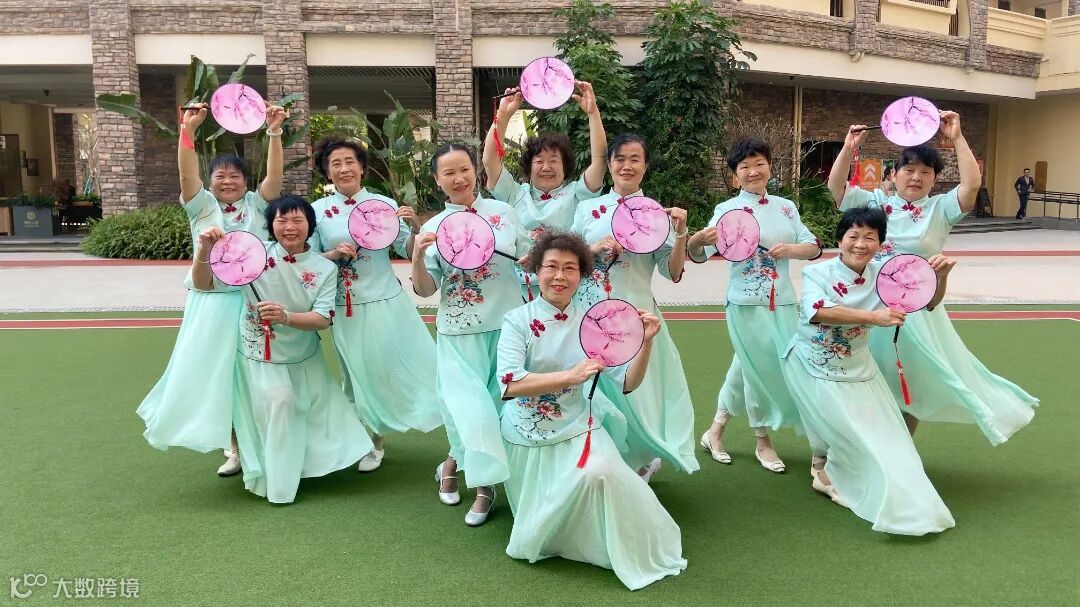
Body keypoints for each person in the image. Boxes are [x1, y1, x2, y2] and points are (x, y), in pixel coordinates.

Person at [828, 112, 1037, 445]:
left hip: (915, 314)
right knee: (861, 375)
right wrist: (848, 147)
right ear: (893, 174)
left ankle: (900, 450)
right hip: (867, 303)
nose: (916, 177)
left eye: (926, 172)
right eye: (909, 170)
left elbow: (971, 185)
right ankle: (856, 448)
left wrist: (957, 137)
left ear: (935, 179)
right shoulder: (876, 203)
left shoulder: (941, 208)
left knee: (911, 383)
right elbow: (836, 189)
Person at [497, 231, 686, 590]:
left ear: (582, 275)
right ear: (536, 271)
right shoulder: (517, 320)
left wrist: (645, 343)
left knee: (603, 473)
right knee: (539, 534)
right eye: (551, 267)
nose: (560, 276)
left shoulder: (595, 323)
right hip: (527, 433)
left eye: (570, 268)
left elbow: (627, 382)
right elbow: (509, 384)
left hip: (577, 426)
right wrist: (570, 376)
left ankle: (613, 545)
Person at [781, 206, 956, 535]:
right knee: (845, 429)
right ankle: (823, 470)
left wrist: (941, 276)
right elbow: (817, 312)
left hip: (859, 366)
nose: (860, 244)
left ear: (881, 243)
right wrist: (873, 317)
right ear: (840, 239)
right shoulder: (817, 273)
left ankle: (852, 476)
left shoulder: (886, 276)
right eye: (853, 236)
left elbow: (928, 302)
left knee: (886, 439)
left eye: (870, 237)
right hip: (813, 363)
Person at [191, 196, 374, 504]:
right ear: (271, 225)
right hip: (258, 353)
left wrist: (286, 317)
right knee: (282, 402)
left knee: (307, 412)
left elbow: (323, 318)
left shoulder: (324, 268)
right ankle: (277, 483)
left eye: (298, 220)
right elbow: (204, 284)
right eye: (282, 220)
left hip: (302, 354)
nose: (290, 227)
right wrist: (205, 251)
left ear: (310, 226)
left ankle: (303, 465)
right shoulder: (252, 255)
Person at [136, 101, 285, 477]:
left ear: (246, 182)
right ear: (211, 180)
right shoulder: (201, 206)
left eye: (235, 176)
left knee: (259, 377)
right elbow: (187, 174)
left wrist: (274, 131)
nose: (228, 181)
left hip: (253, 301)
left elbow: (275, 177)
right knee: (221, 379)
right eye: (220, 175)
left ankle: (267, 443)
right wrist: (187, 130)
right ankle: (234, 448)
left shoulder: (258, 205)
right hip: (212, 304)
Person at [411, 143, 532, 526]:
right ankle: (484, 487)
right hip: (459, 333)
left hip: (509, 328)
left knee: (498, 410)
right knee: (470, 410)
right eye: (448, 173)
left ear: (475, 170)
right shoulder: (432, 228)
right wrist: (417, 257)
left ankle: (451, 463)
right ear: (437, 180)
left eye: (464, 169)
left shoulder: (503, 213)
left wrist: (534, 260)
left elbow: (531, 260)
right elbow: (425, 290)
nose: (459, 178)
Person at [310, 135, 442, 472]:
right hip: (345, 306)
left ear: (362, 167)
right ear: (327, 171)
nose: (344, 169)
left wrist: (415, 227)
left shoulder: (383, 205)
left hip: (387, 300)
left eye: (350, 162)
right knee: (355, 374)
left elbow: (407, 251)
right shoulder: (318, 211)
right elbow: (306, 261)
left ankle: (391, 434)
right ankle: (367, 440)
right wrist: (332, 254)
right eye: (335, 164)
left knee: (396, 369)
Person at [570, 133, 699, 479]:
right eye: (620, 158)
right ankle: (601, 456)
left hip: (637, 317)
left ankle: (638, 458)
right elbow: (569, 261)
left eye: (635, 159)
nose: (626, 166)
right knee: (594, 390)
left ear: (645, 166)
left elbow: (672, 272)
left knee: (635, 394)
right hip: (590, 316)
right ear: (610, 163)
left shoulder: (657, 214)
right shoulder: (587, 209)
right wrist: (592, 249)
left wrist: (681, 234)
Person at [689, 138, 822, 471]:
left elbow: (813, 246)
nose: (752, 171)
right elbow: (699, 254)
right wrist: (695, 239)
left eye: (759, 163)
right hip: (745, 303)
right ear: (735, 175)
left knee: (749, 365)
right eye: (744, 166)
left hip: (784, 302)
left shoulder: (786, 207)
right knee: (756, 369)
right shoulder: (726, 211)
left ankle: (715, 431)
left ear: (770, 167)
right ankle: (763, 441)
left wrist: (791, 250)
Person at [482, 81, 607, 299]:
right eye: (539, 161)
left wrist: (593, 113)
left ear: (565, 166)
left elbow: (600, 161)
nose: (546, 167)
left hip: (567, 290)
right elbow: (489, 160)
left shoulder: (578, 193)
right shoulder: (514, 193)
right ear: (528, 167)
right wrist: (503, 115)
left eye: (554, 160)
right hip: (519, 291)